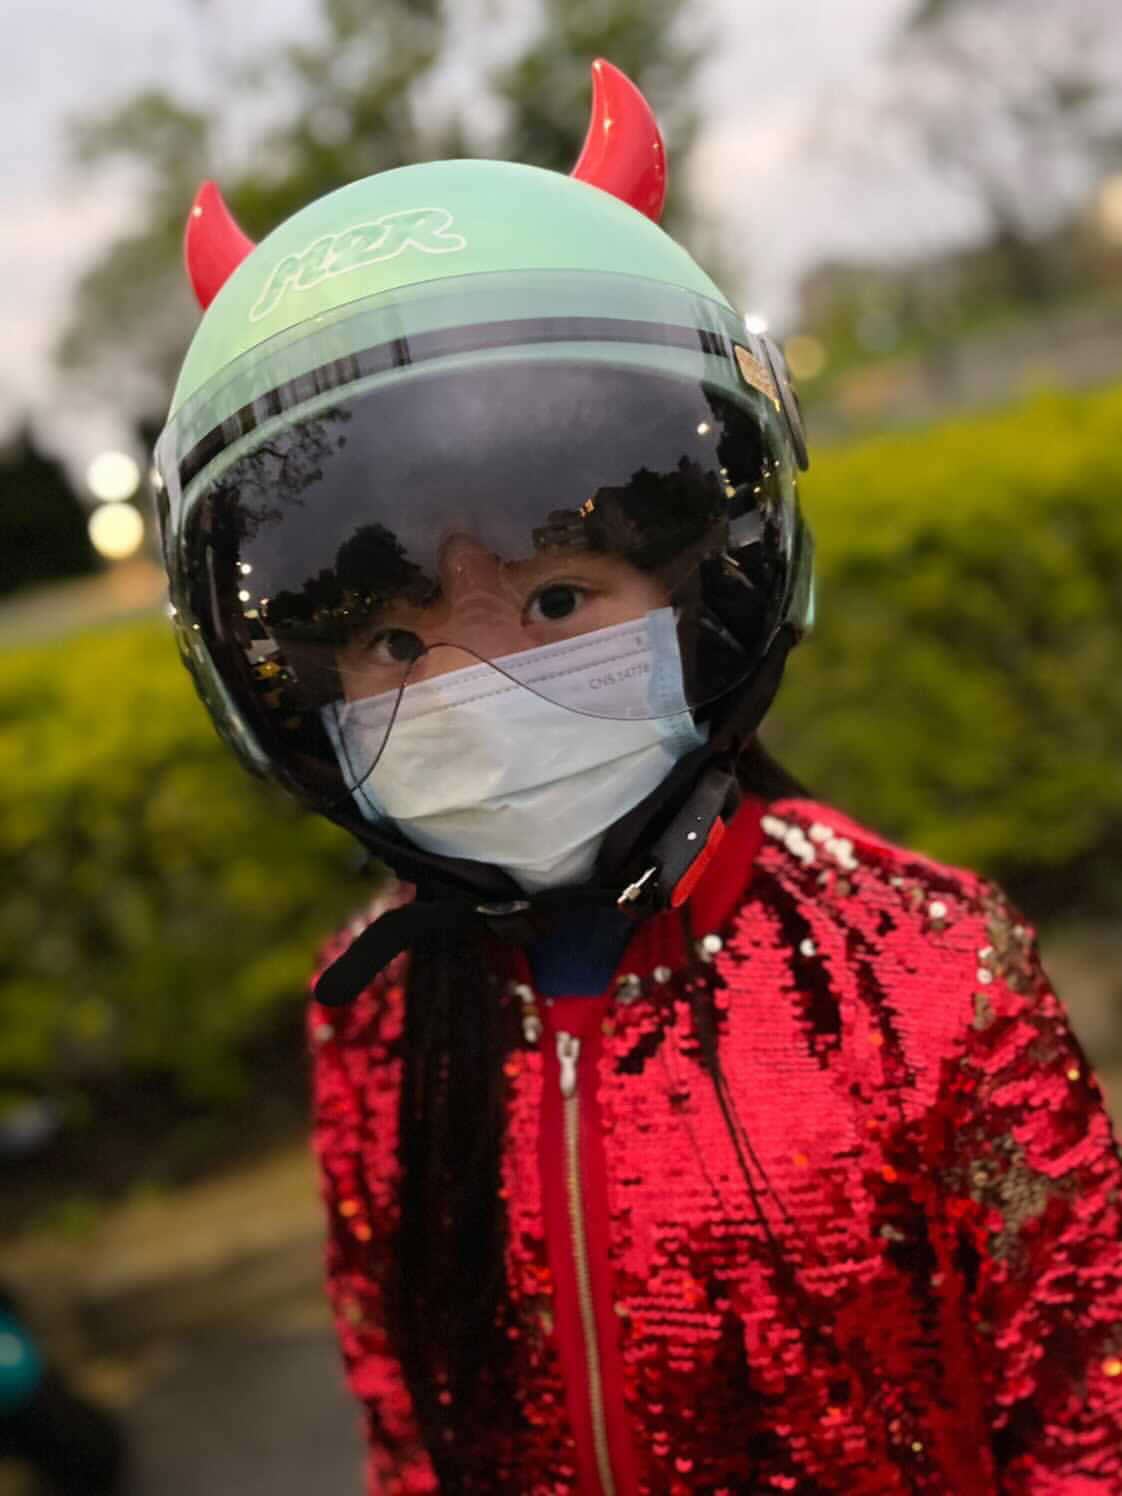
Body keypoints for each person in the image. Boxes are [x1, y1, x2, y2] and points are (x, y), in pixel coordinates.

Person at [154, 60, 1122, 1494]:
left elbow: (1079, 1407)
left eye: (555, 605)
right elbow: (402, 1402)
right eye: (398, 639)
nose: (480, 686)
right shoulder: (372, 1008)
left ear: (704, 595)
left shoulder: (921, 973)